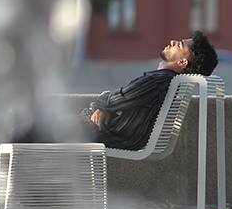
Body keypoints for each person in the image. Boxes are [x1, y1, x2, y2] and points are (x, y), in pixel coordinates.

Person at [82, 32, 218, 150]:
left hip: (108, 136)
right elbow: (119, 100)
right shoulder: (166, 82)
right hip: (112, 134)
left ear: (182, 62)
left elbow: (119, 98)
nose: (172, 42)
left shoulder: (158, 82)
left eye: (179, 45)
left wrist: (102, 105)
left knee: (64, 125)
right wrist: (105, 107)